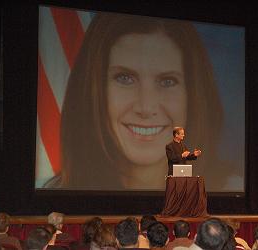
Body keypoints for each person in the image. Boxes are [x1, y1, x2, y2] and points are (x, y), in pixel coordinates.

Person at [44, 11, 240, 191]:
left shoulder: (232, 189)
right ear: (94, 91)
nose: (146, 107)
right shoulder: (52, 194)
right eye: (125, 78)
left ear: (194, 96)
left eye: (167, 81)